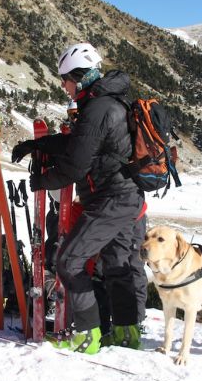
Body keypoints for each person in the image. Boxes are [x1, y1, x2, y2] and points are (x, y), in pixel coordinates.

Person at [12, 43, 144, 354]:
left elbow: (74, 166)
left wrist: (40, 181)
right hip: (126, 197)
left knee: (68, 261)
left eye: (65, 80)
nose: (63, 86)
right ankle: (128, 333)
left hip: (110, 199)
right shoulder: (109, 102)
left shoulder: (97, 108)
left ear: (79, 77)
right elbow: (80, 143)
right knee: (116, 264)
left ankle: (88, 335)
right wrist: (38, 147)